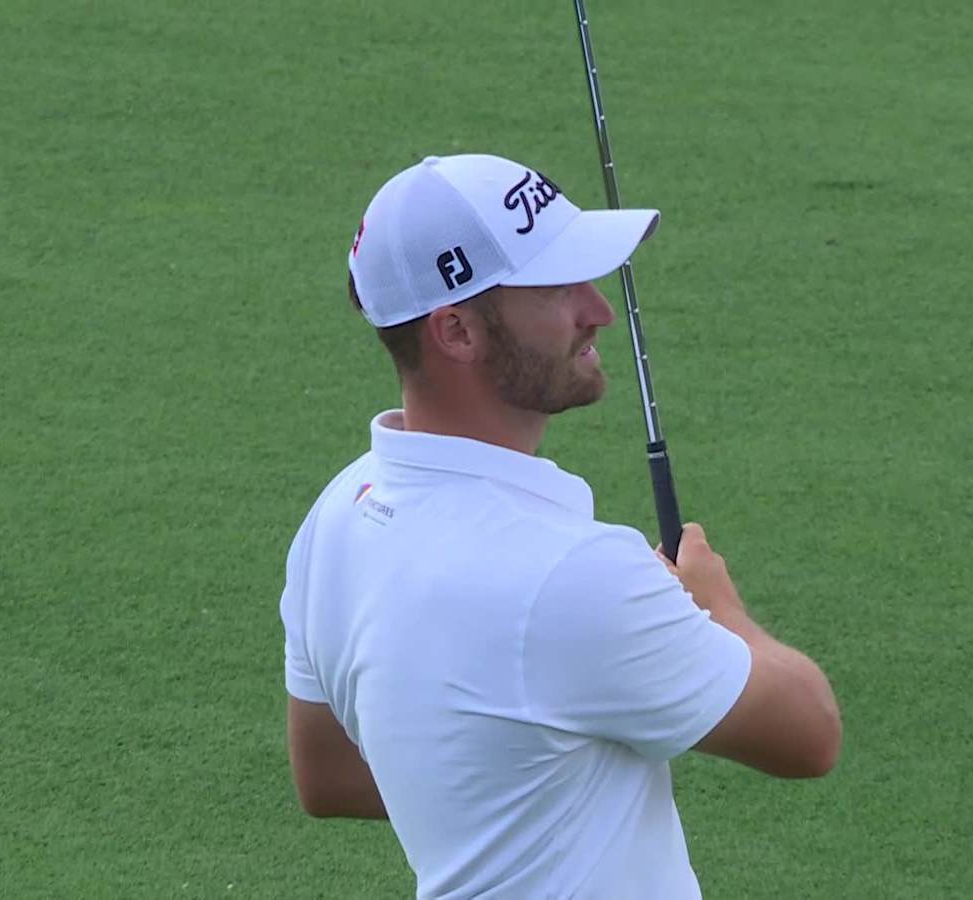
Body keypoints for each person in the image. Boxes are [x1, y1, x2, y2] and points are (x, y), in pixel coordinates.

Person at [279, 153, 842, 899]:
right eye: (555, 287)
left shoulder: (340, 513)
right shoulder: (573, 574)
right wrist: (718, 608)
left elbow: (328, 778)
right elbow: (810, 733)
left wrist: (510, 769)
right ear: (457, 332)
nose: (598, 310)